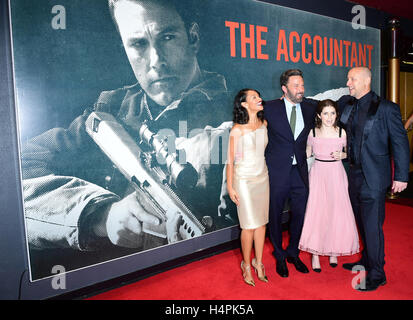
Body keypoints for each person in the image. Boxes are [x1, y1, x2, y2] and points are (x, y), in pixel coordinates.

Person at [20, 0, 233, 278]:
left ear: (193, 38)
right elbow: (13, 176)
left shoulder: (240, 113)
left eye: (167, 37)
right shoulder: (111, 111)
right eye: (138, 45)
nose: (156, 60)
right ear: (124, 48)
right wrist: (101, 215)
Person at [338, 67, 409, 291]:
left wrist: (401, 175)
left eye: (352, 79)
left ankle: (378, 274)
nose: (348, 82)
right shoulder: (348, 104)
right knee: (361, 222)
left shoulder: (387, 108)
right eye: (349, 79)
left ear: (367, 81)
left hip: (375, 177)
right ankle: (367, 260)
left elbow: (400, 142)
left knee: (372, 226)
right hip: (354, 174)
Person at [264, 69, 317, 278]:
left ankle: (293, 252)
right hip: (277, 172)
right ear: (284, 89)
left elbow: (332, 106)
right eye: (296, 86)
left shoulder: (311, 107)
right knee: (275, 215)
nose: (301, 89)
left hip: (300, 172)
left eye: (302, 85)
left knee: (300, 214)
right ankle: (278, 254)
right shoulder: (269, 108)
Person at [298, 99, 359, 272]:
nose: (329, 117)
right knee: (317, 212)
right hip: (318, 174)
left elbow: (349, 153)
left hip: (336, 174)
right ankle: (315, 254)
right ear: (319, 115)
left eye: (332, 113)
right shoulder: (313, 133)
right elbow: (306, 154)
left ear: (336, 115)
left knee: (335, 212)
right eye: (325, 113)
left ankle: (334, 250)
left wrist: (344, 155)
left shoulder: (342, 132)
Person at [226, 89, 269, 286]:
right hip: (243, 181)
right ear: (244, 104)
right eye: (254, 97)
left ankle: (258, 263)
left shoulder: (264, 124)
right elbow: (230, 162)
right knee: (248, 226)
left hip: (262, 179)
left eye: (258, 96)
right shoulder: (237, 130)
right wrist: (230, 186)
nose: (259, 99)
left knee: (261, 224)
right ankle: (245, 263)